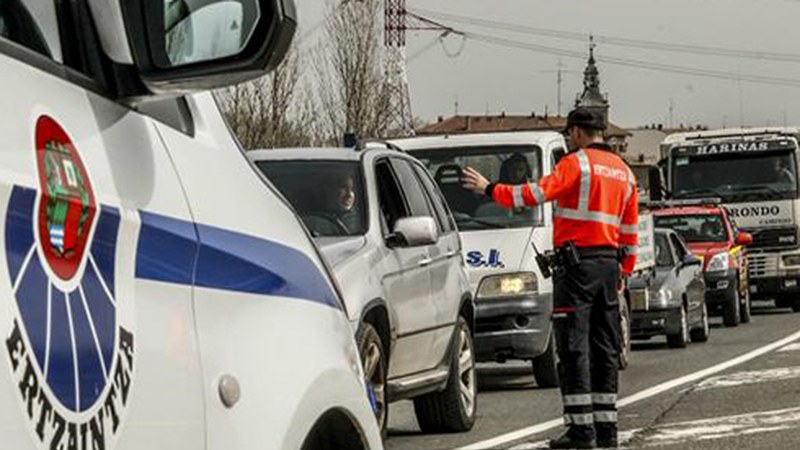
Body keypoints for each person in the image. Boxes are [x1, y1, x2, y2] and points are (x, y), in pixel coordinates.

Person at [462, 107, 639, 449]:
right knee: (604, 348)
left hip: (577, 269)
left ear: (575, 132)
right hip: (608, 269)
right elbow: (629, 231)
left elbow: (534, 194)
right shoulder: (624, 171)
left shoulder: (576, 163)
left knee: (573, 347)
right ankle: (607, 431)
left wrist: (489, 189)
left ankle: (581, 431)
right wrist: (623, 271)